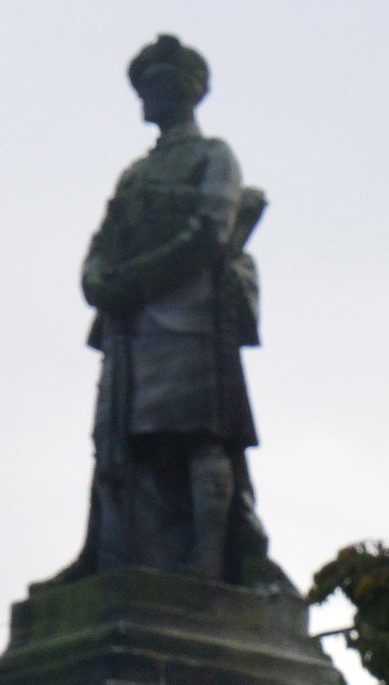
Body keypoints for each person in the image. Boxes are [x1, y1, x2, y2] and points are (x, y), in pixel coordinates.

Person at [64, 34, 275, 588]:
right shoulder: (134, 174)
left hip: (192, 319)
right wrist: (96, 279)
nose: (145, 101)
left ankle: (207, 558)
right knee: (123, 444)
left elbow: (210, 230)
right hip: (130, 329)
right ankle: (113, 552)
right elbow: (103, 240)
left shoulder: (214, 156)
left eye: (153, 88)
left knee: (198, 435)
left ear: (182, 92)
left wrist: (133, 281)